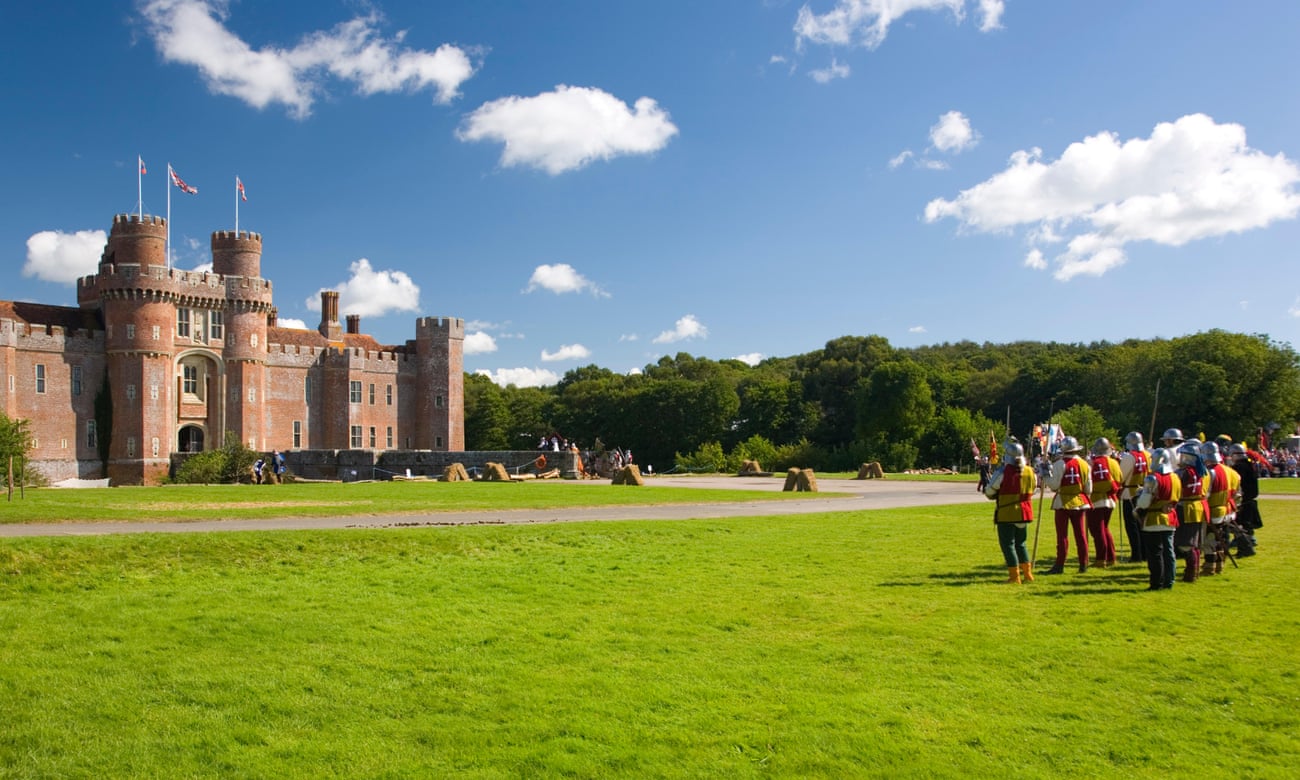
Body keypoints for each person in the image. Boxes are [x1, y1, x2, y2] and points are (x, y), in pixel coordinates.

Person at [983, 442, 1037, 584]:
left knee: (1008, 544)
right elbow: (1034, 489)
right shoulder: (1031, 471)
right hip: (1024, 512)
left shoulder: (1002, 472)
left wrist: (997, 493)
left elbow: (989, 492)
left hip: (1007, 513)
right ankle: (1028, 574)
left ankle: (1014, 577)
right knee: (1021, 544)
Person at [1135, 447, 1182, 590]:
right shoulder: (1175, 476)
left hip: (1154, 518)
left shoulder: (1152, 478)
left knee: (1155, 553)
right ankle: (1169, 581)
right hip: (1170, 516)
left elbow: (1144, 503)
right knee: (1169, 552)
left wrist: (1140, 494)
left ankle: (1157, 582)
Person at [1046, 436, 1093, 574]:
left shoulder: (1059, 464)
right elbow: (1088, 488)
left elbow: (1054, 486)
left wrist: (1045, 476)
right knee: (1081, 535)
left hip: (1063, 502)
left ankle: (1060, 564)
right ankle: (1083, 563)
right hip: (1079, 501)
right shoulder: (1085, 464)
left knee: (1062, 535)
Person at [1173, 440, 1210, 583]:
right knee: (1195, 542)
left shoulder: (1182, 473)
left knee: (1187, 544)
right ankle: (1194, 569)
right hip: (1199, 508)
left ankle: (1191, 572)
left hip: (1187, 509)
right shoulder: (1203, 472)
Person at [1201, 441, 1239, 576]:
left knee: (1209, 539)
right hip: (1228, 509)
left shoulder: (1210, 472)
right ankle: (1220, 563)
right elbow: (1238, 494)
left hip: (1213, 510)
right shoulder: (1231, 472)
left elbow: (1206, 494)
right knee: (1219, 538)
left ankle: (1210, 565)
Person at [1086, 437, 1121, 568]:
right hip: (1110, 499)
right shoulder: (1114, 463)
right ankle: (1111, 556)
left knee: (1097, 531)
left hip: (1096, 500)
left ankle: (1101, 558)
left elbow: (1088, 482)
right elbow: (1119, 479)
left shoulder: (1092, 463)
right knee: (1104, 529)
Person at [1118, 431, 1150, 563]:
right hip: (1144, 492)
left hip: (1130, 493)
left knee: (1132, 527)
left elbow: (1121, 476)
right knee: (1143, 525)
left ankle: (1137, 554)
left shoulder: (1129, 457)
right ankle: (1145, 552)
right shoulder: (1148, 455)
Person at [1228, 443, 1261, 556]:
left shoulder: (1239, 467)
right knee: (1245, 523)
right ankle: (1248, 540)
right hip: (1250, 497)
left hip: (1243, 498)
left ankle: (1246, 544)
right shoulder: (1250, 464)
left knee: (1241, 523)